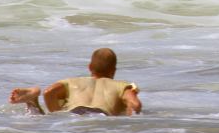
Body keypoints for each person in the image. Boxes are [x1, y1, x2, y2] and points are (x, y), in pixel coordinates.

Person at [9, 48, 142, 116]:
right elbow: (135, 104)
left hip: (74, 113)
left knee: (42, 117)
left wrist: (57, 113)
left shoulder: (73, 82)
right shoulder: (121, 86)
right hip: (100, 115)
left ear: (90, 67)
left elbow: (49, 92)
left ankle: (33, 100)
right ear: (113, 71)